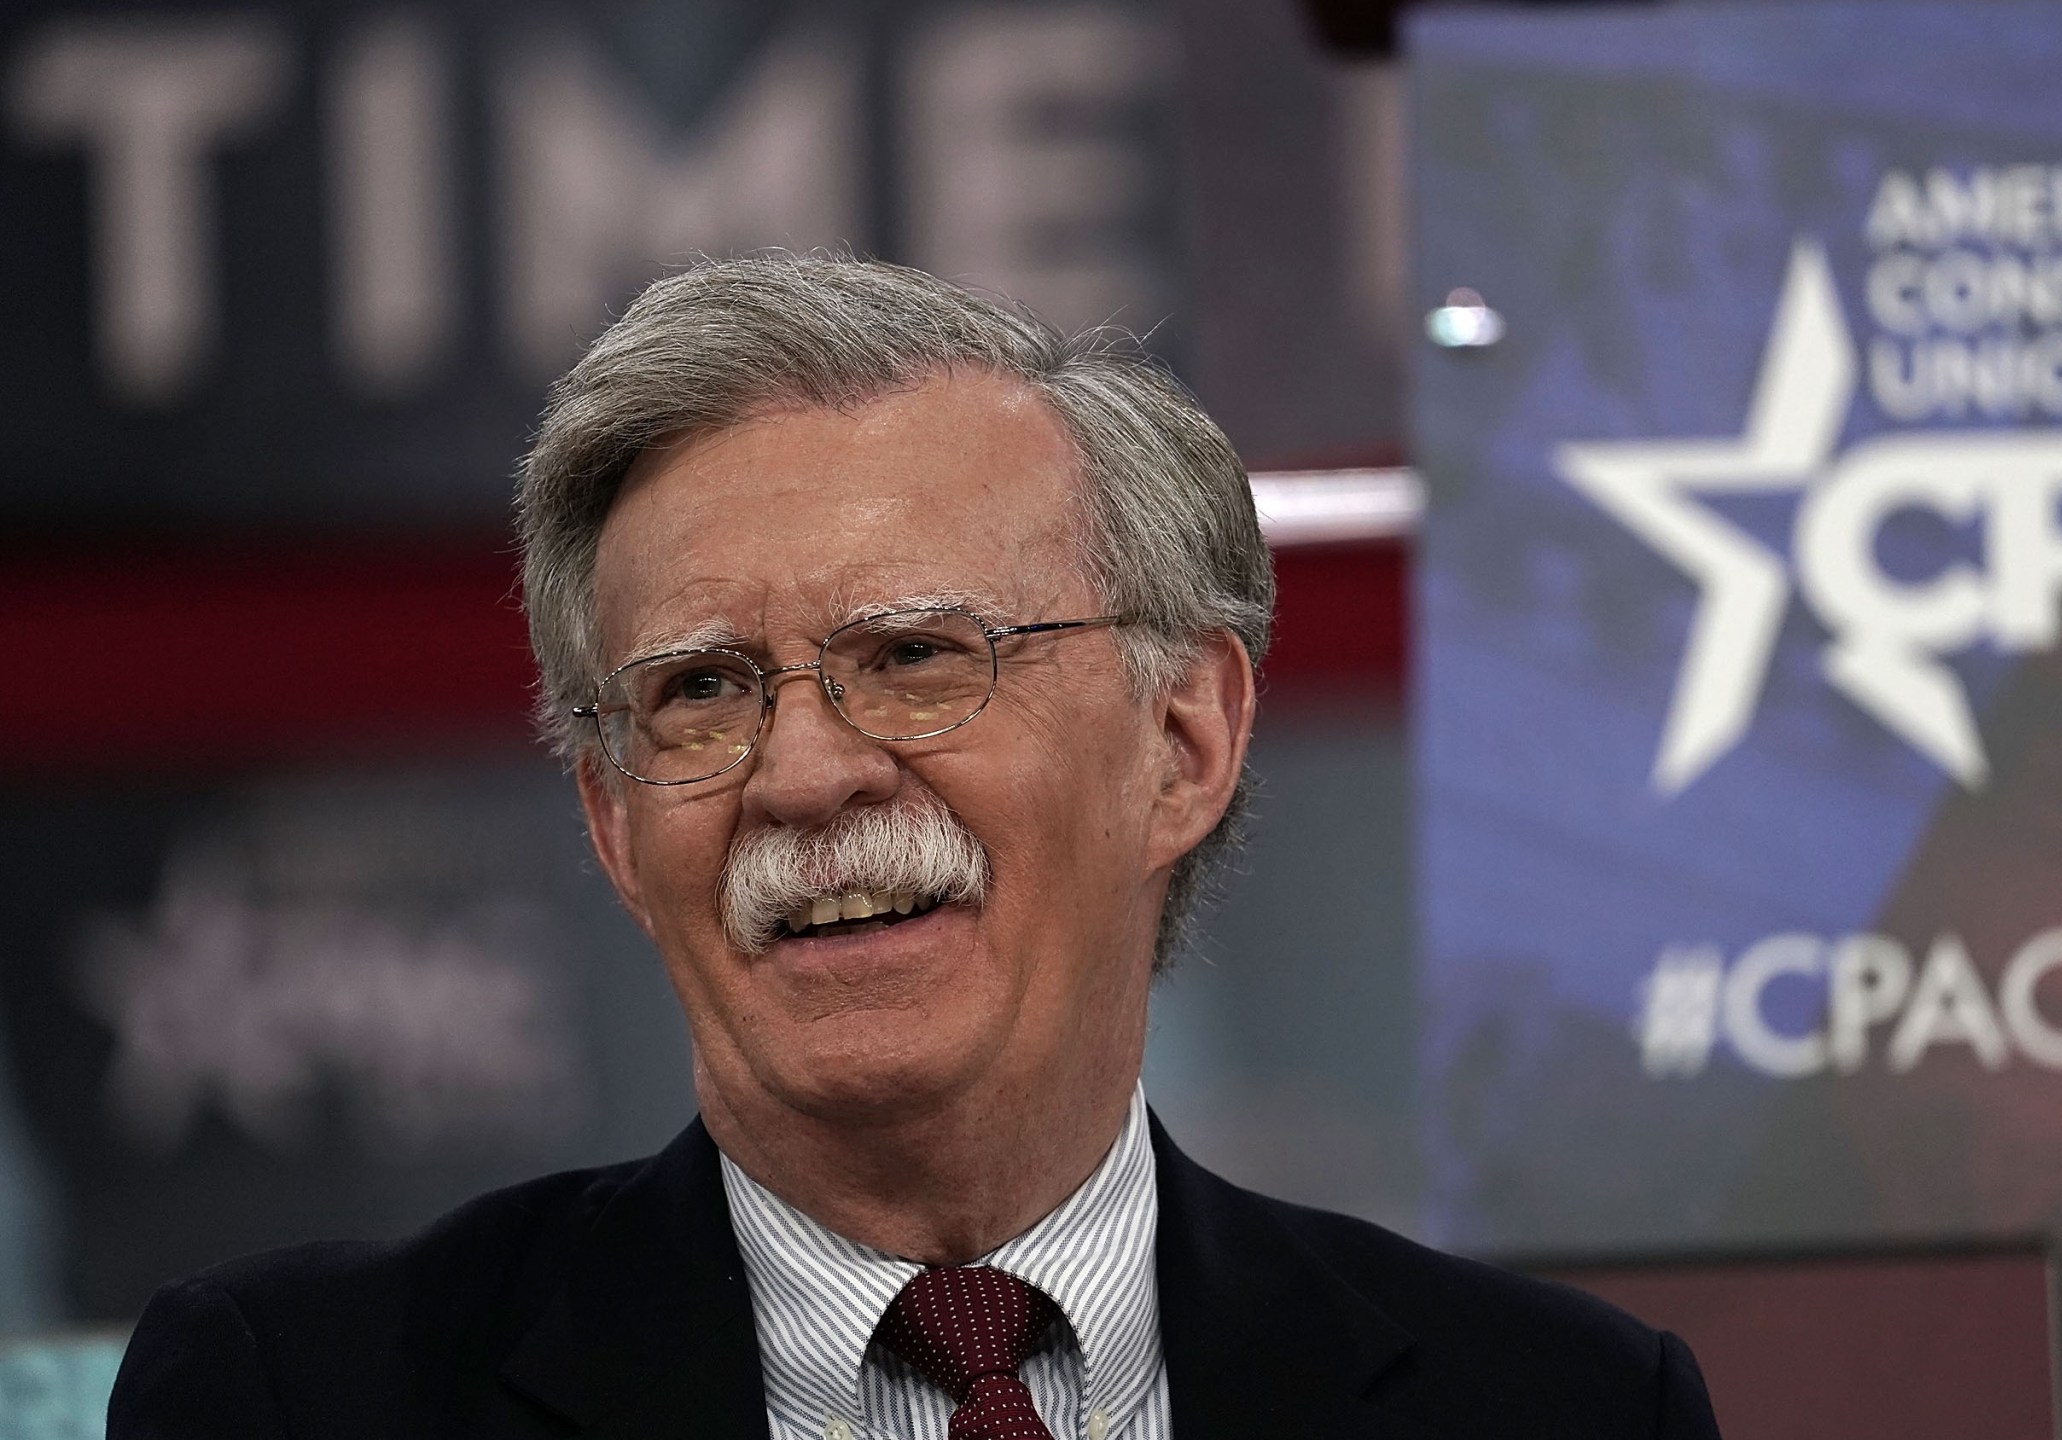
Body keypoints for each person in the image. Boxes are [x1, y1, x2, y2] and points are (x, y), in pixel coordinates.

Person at [107, 255, 1720, 1439]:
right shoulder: (298, 1401)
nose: (803, 776)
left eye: (917, 659)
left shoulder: (1560, 1411)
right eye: (700, 694)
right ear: (610, 820)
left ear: (1184, 743)